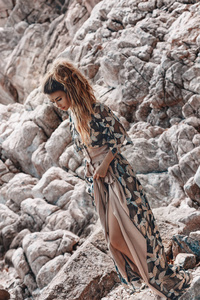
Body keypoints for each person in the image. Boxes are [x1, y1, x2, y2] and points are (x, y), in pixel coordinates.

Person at [41, 58, 192, 299]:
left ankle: (159, 278)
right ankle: (150, 276)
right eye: (53, 102)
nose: (57, 105)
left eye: (59, 98)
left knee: (134, 230)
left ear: (70, 90)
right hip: (99, 182)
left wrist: (104, 165)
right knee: (115, 239)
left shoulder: (97, 109)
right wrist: (93, 174)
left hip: (119, 177)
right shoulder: (72, 116)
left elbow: (120, 137)